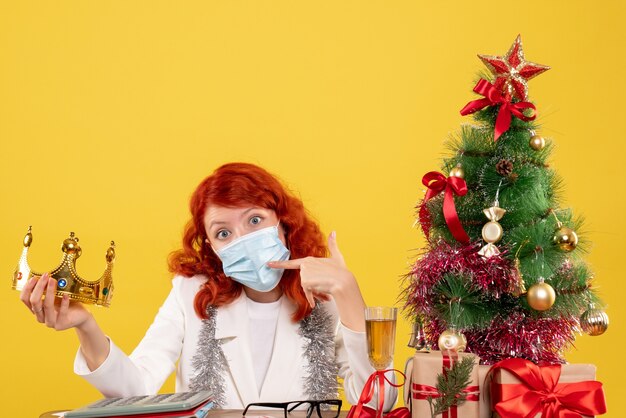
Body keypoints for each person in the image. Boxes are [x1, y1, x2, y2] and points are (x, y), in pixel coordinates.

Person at [20, 162, 397, 410]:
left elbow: (378, 404)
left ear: (283, 222)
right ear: (212, 248)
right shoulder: (191, 293)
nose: (243, 239)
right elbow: (136, 390)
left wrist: (349, 296)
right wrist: (86, 325)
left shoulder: (325, 294)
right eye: (223, 232)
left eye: (254, 220)